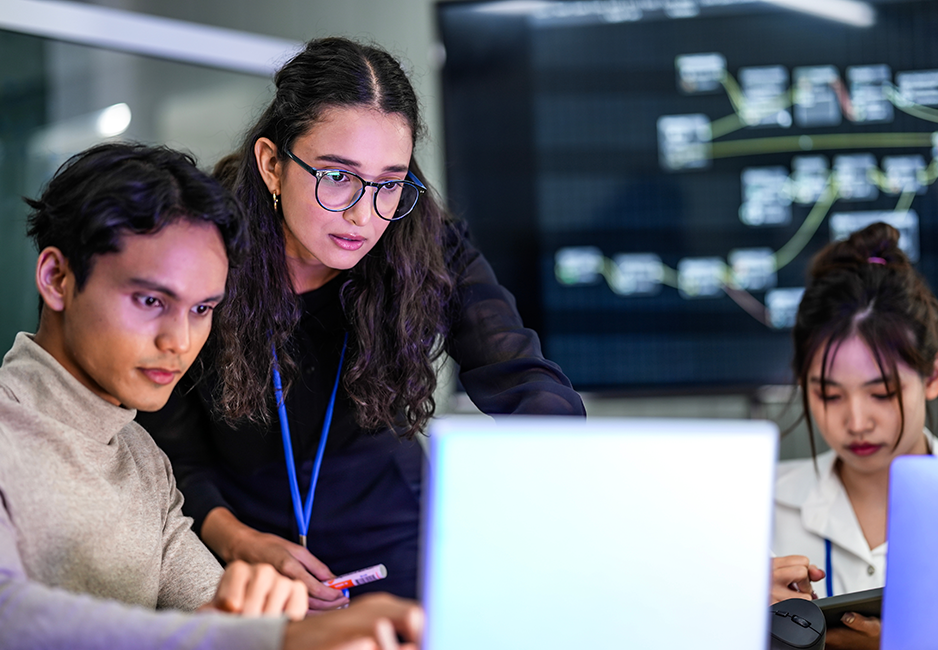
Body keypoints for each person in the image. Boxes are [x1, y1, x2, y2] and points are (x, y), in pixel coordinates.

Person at [137, 36, 586, 608]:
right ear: (273, 164)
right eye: (337, 176)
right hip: (239, 543)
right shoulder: (204, 250)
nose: (363, 213)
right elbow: (169, 446)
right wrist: (241, 542)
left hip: (393, 535)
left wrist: (561, 468)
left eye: (389, 182)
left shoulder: (422, 243)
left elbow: (521, 375)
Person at [0, 142, 422, 650]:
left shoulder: (141, 457)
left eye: (202, 310)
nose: (178, 342)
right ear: (57, 278)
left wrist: (270, 623)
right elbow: (12, 617)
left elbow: (211, 612)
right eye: (151, 300)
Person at [769, 222, 938, 649]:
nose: (856, 422)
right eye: (829, 394)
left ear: (934, 376)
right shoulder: (752, 508)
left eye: (882, 393)